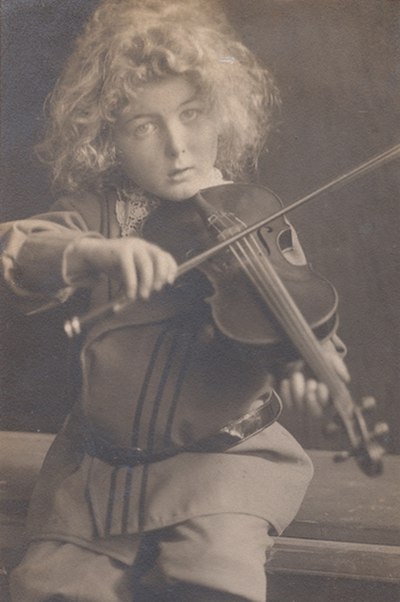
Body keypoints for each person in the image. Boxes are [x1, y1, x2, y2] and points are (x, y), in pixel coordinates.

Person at [1, 1, 349, 600]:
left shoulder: (255, 217)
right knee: (48, 587)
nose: (177, 146)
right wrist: (92, 253)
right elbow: (23, 250)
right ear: (106, 135)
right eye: (144, 126)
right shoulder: (101, 214)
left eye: (192, 114)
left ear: (223, 113)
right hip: (101, 470)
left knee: (213, 579)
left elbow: (304, 310)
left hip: (225, 466)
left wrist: (315, 366)